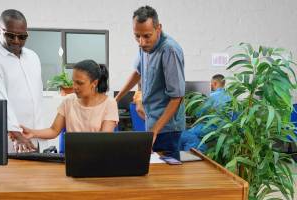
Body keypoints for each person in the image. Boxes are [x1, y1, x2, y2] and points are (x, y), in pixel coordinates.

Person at [115, 5, 185, 160]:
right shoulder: (144, 47)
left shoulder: (170, 51)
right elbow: (137, 72)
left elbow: (177, 98)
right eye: (137, 36)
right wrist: (116, 99)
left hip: (167, 129)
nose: (141, 42)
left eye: (146, 36)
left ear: (158, 28)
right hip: (151, 121)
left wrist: (155, 131)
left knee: (167, 177)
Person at [0, 9, 43, 152]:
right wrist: (16, 134)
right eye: (10, 35)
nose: (16, 41)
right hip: (10, 141)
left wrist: (37, 135)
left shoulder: (33, 57)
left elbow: (37, 98)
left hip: (33, 137)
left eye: (22, 36)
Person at [20, 59, 119, 139]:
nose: (74, 87)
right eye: (74, 82)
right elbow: (53, 130)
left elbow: (104, 140)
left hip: (97, 158)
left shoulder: (109, 103)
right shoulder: (68, 101)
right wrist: (32, 133)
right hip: (73, 157)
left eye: (80, 83)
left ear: (94, 83)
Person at [180, 74, 231, 152]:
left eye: (211, 83)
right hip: (227, 129)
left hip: (214, 127)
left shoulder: (212, 97)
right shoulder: (231, 97)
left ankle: (198, 154)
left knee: (186, 135)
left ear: (215, 83)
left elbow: (199, 113)